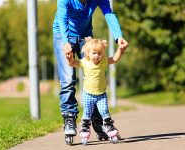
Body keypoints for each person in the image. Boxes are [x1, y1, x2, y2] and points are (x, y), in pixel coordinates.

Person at [52, 0, 129, 144]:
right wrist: (65, 42)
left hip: (86, 36)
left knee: (95, 73)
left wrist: (118, 37)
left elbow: (108, 13)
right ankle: (69, 118)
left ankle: (98, 121)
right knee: (68, 79)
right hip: (62, 34)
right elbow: (62, 18)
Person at [65, 38, 127, 144]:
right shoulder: (84, 62)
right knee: (87, 113)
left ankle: (110, 129)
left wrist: (120, 51)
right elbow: (72, 64)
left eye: (99, 53)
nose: (97, 56)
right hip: (88, 95)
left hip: (101, 95)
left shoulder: (103, 62)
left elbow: (115, 59)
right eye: (94, 53)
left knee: (104, 112)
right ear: (88, 53)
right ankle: (84, 130)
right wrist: (69, 58)